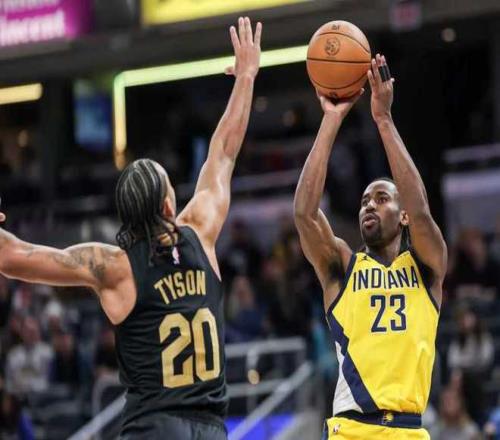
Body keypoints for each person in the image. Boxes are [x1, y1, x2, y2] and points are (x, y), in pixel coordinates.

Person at [0, 16, 262, 439]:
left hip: (153, 427)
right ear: (168, 204)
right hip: (210, 428)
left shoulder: (114, 267)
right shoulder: (200, 232)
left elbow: (13, 257)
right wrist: (246, 77)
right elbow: (224, 152)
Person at [294, 54, 447, 439]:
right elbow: (304, 214)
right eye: (365, 201)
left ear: (403, 215)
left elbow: (421, 209)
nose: (369, 206)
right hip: (352, 429)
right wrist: (331, 120)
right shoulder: (343, 265)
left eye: (381, 199)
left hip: (409, 429)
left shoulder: (426, 266)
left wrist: (383, 119)